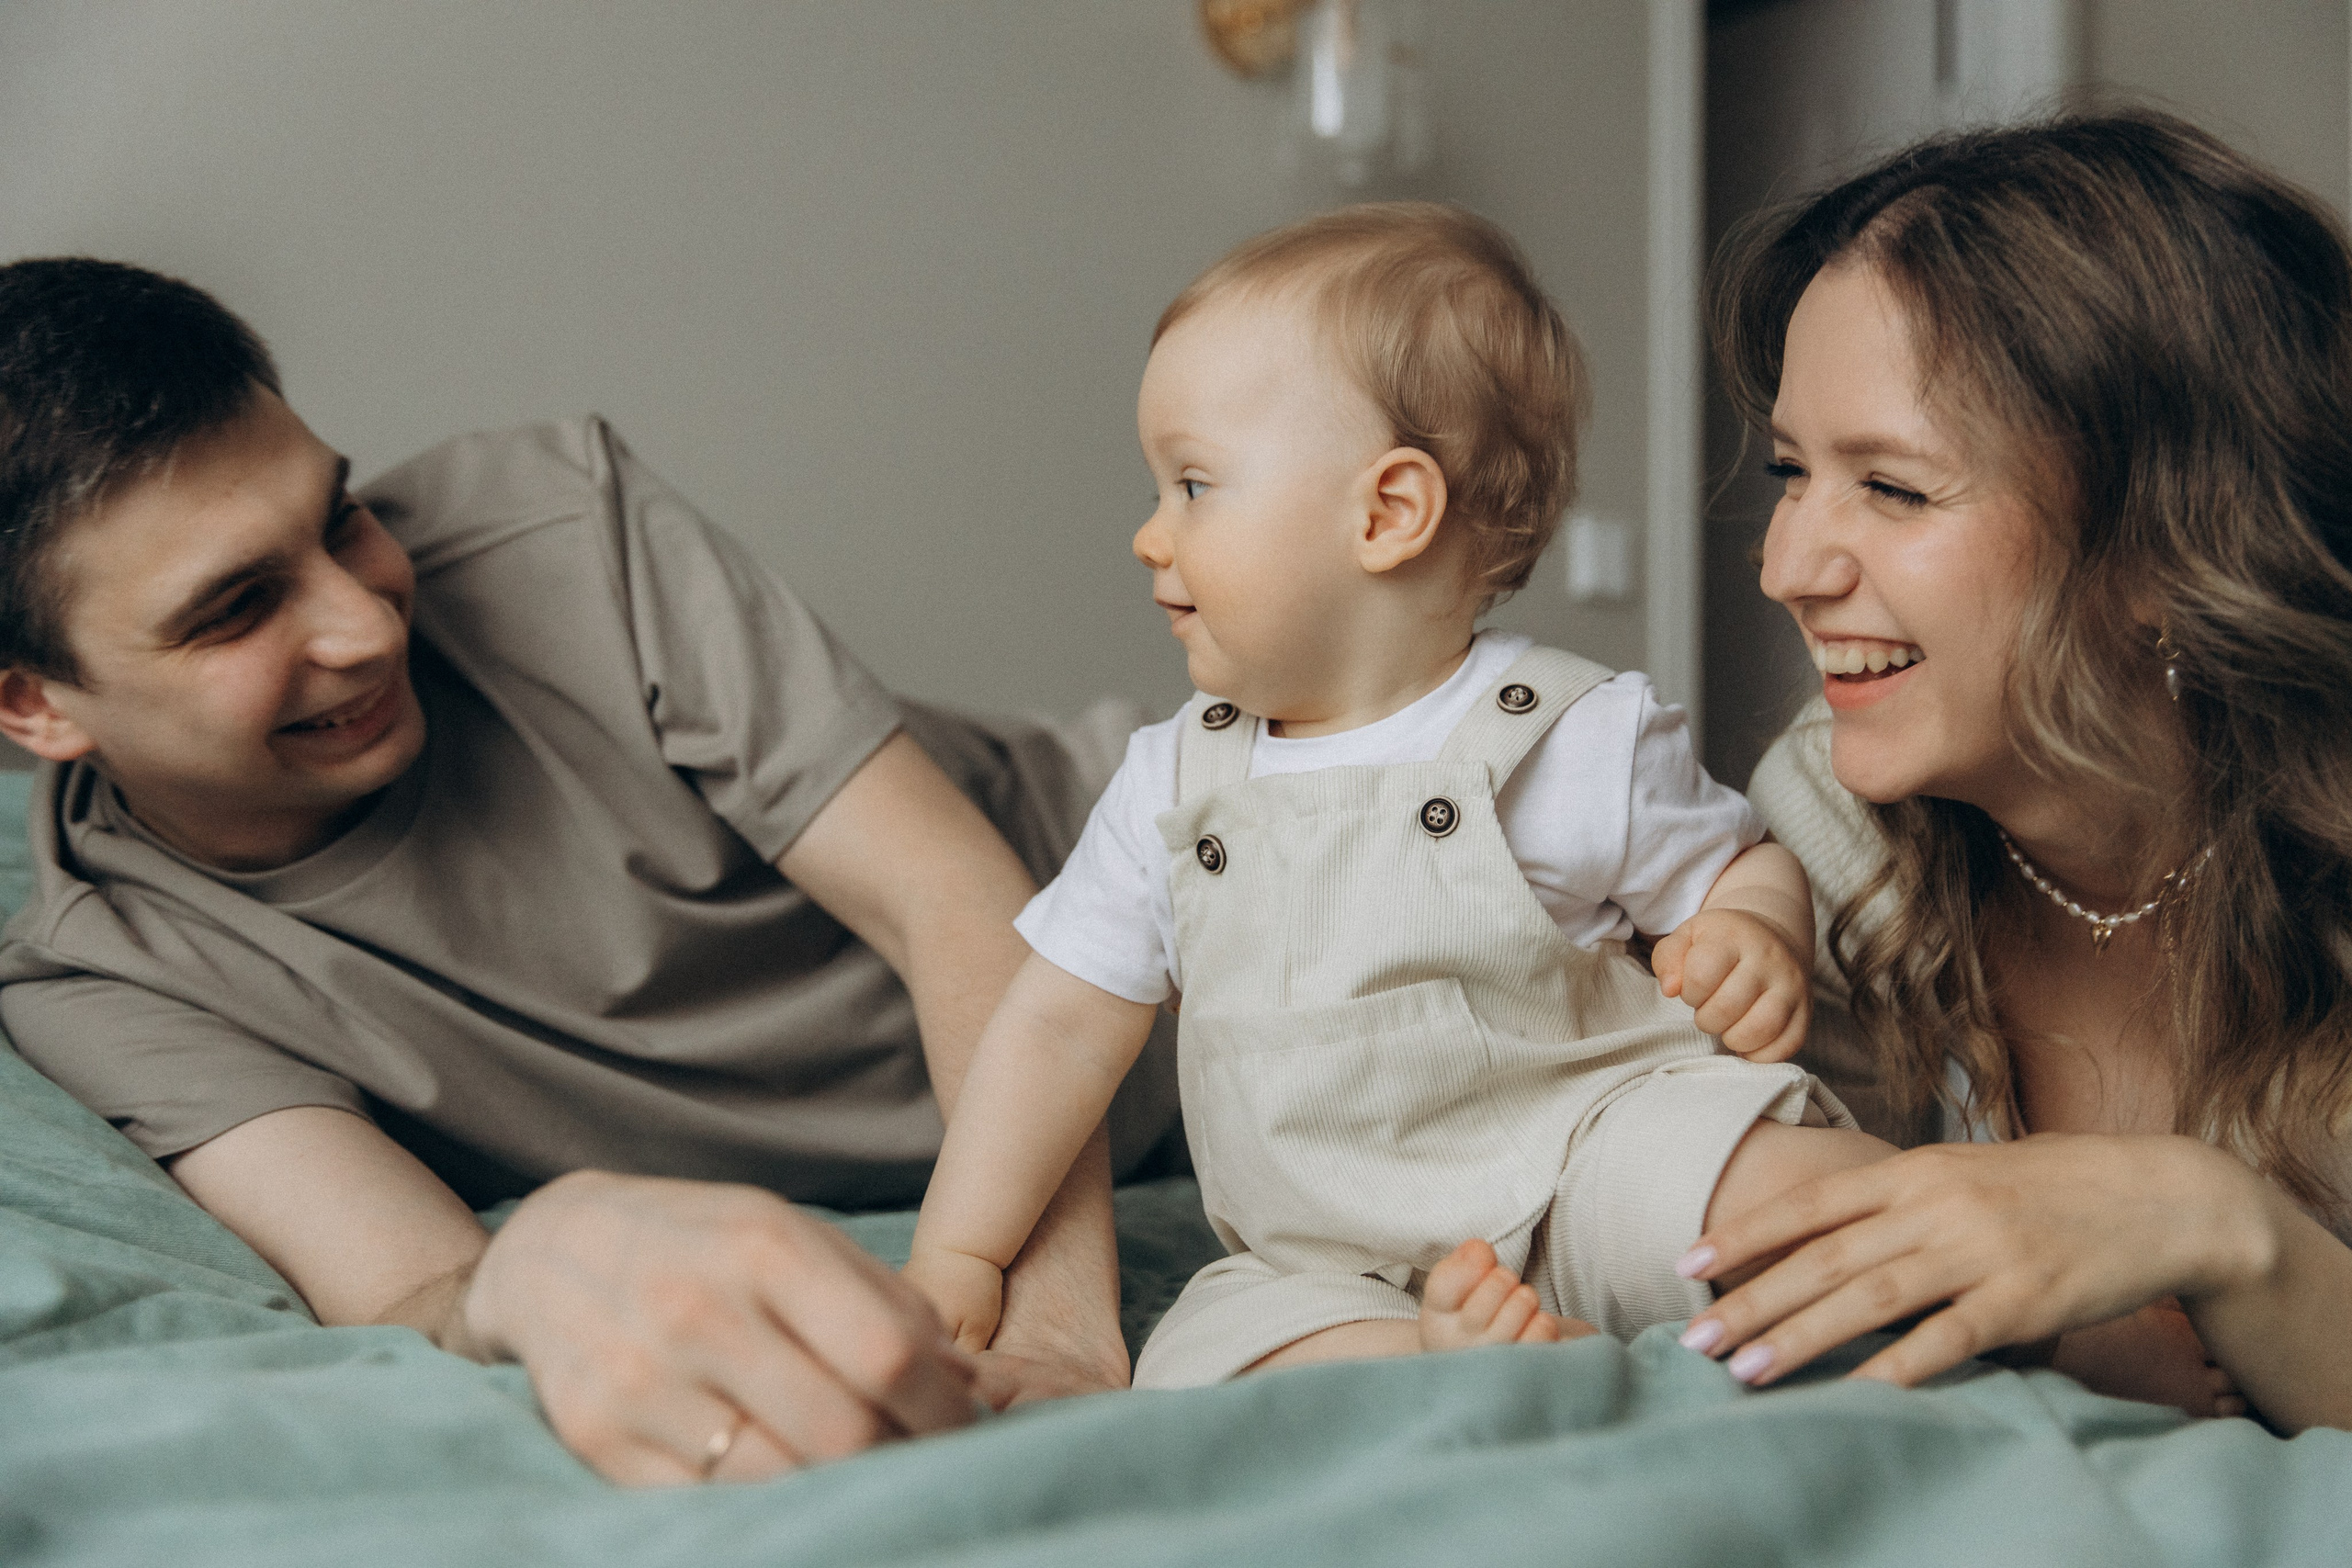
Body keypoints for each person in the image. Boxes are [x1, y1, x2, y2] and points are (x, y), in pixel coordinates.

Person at [0, 257, 1180, 1484]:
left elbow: (943, 897)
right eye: (237, 609)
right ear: (33, 706)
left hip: (1217, 870)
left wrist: (1049, 1325)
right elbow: (413, 1284)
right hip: (1175, 1115)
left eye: (339, 518)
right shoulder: (103, 981)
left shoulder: (554, 527)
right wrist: (537, 1268)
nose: (364, 622)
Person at [900, 203, 1891, 1389]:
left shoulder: (1566, 736)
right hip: (1324, 1253)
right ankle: (1441, 1351)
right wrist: (960, 1245)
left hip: (1588, 1155)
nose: (1148, 536)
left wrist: (1749, 930)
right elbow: (1054, 1030)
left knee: (1766, 1180)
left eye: (1192, 484)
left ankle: (1992, 1280)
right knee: (1211, 1355)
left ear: (1386, 513)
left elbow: (1738, 861)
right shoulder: (1172, 786)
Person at [1672, 111, 2352, 1433]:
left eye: (1896, 489)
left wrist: (2219, 1230)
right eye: (1794, 474)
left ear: (2167, 550)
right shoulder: (1824, 822)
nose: (1786, 567)